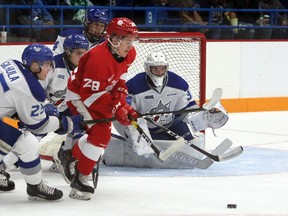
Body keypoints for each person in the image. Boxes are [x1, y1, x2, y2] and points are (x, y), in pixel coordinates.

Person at [54, 17, 139, 200]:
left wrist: (121, 101)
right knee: (101, 134)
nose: (131, 45)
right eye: (127, 41)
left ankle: (69, 155)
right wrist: (117, 108)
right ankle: (81, 178)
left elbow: (118, 80)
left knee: (100, 137)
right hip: (78, 96)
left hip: (99, 93)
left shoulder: (129, 54)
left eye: (132, 40)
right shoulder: (97, 59)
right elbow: (89, 96)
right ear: (114, 40)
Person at [105, 51, 229, 168]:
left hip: (169, 124)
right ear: (148, 69)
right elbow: (125, 113)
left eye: (162, 68)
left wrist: (203, 115)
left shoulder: (178, 83)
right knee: (143, 146)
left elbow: (187, 110)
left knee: (192, 135)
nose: (159, 72)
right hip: (146, 127)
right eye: (155, 68)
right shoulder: (134, 86)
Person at [0, 44, 83, 200]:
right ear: (34, 65)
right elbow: (38, 126)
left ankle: (34, 186)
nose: (50, 69)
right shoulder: (29, 89)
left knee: (22, 138)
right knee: (26, 141)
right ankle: (35, 187)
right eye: (47, 65)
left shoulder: (13, 64)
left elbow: (13, 105)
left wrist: (42, 110)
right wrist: (64, 123)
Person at [39, 34, 89, 171]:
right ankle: (10, 159)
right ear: (67, 51)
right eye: (78, 53)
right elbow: (35, 89)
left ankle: (66, 156)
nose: (82, 57)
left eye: (85, 53)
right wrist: (45, 105)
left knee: (83, 124)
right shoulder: (52, 65)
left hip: (67, 108)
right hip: (46, 109)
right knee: (36, 131)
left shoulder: (88, 67)